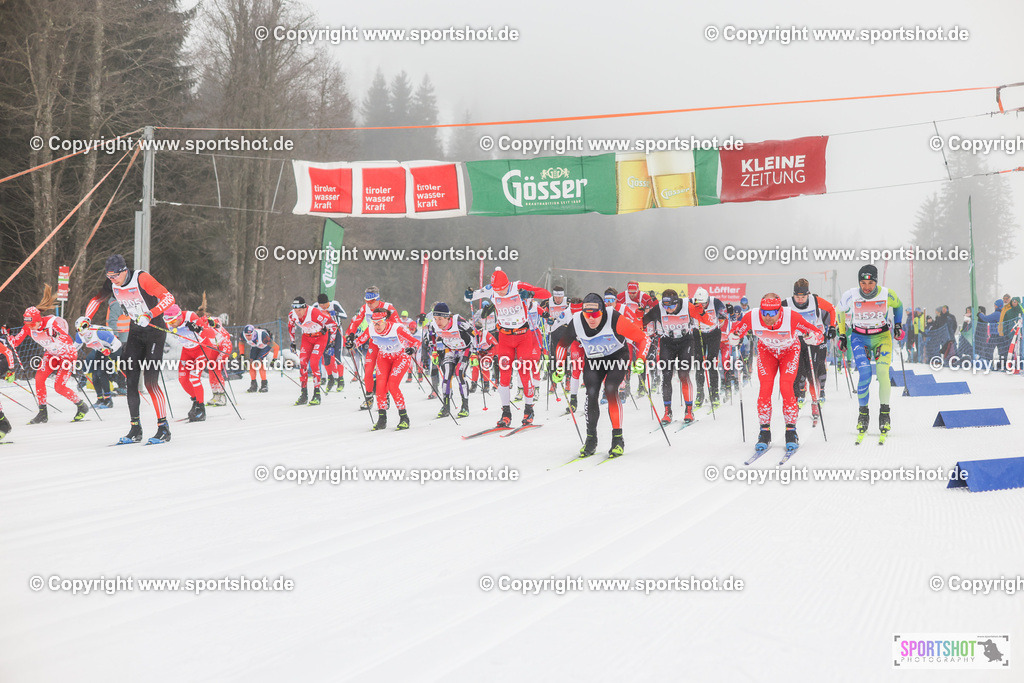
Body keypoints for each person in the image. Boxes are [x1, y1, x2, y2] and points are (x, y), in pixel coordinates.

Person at [84, 254, 175, 443]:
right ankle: (135, 429)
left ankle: (163, 427)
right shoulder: (111, 282)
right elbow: (96, 299)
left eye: (115, 276)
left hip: (154, 332)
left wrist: (150, 313)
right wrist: (87, 318)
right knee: (130, 381)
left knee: (150, 382)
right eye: (109, 277)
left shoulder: (141, 278)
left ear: (124, 270)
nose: (112, 280)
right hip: (136, 332)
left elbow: (168, 298)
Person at [553, 293, 652, 457]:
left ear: (603, 312)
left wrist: (641, 359)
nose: (591, 319)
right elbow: (562, 345)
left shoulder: (613, 318)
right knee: (591, 394)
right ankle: (591, 439)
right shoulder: (577, 320)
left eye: (595, 314)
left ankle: (617, 439)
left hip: (617, 357)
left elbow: (643, 338)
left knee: (611, 389)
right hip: (593, 360)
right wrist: (559, 367)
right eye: (587, 314)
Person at [728, 293, 824, 453]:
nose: (767, 317)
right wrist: (733, 338)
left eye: (772, 313)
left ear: (779, 310)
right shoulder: (752, 316)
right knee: (765, 389)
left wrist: (813, 338)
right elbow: (735, 332)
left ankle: (791, 431)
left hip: (789, 351)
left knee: (786, 387)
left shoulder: (791, 317)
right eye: (764, 312)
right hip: (767, 352)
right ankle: (764, 432)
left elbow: (818, 334)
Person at [468, 268, 551, 427]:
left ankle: (529, 410)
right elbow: (469, 297)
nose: (499, 293)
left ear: (507, 284)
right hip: (505, 338)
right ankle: (506, 413)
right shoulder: (490, 289)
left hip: (523, 337)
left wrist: (530, 294)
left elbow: (546, 294)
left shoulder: (518, 286)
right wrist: (469, 293)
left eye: (502, 289)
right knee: (504, 377)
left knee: (524, 372)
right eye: (497, 290)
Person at [836, 264, 905, 440]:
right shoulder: (850, 295)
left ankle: (884, 414)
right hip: (859, 337)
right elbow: (840, 312)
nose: (866, 287)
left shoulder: (887, 293)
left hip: (882, 337)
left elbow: (899, 305)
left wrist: (897, 325)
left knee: (882, 373)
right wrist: (842, 334)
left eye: (871, 283)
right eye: (863, 283)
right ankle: (863, 415)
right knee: (865, 373)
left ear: (876, 282)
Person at [12, 287, 90, 424]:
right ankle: (43, 413)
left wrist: (56, 335)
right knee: (39, 378)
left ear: (38, 320)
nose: (30, 327)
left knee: (59, 387)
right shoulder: (28, 327)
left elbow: (67, 340)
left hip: (67, 355)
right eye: (27, 324)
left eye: (32, 324)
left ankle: (81, 406)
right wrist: (7, 338)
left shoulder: (51, 322)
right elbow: (16, 342)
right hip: (52, 354)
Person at [642, 289, 714, 425]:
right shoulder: (659, 308)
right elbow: (641, 323)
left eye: (671, 306)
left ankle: (688, 410)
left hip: (685, 341)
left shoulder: (687, 306)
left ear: (677, 303)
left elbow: (709, 322)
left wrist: (702, 312)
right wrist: (639, 315)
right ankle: (667, 411)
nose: (668, 309)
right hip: (667, 342)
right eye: (666, 306)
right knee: (666, 375)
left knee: (683, 374)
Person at [353, 308, 419, 430]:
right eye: (374, 322)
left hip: (401, 356)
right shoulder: (371, 328)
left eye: (379, 322)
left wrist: (413, 349)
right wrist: (351, 343)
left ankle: (404, 417)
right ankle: (382, 419)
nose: (376, 325)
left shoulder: (397, 328)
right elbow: (359, 341)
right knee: (380, 387)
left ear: (385, 321)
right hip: (384, 357)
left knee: (392, 385)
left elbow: (416, 342)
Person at [782, 278, 837, 415]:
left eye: (803, 297)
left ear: (808, 294)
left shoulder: (815, 300)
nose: (800, 300)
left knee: (815, 369)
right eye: (797, 296)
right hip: (796, 340)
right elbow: (776, 317)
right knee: (797, 371)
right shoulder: (786, 304)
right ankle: (798, 398)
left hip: (815, 338)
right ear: (793, 294)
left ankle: (816, 400)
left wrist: (831, 327)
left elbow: (831, 309)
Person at [345, 287, 398, 408]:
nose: (369, 305)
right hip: (374, 341)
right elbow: (356, 322)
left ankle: (385, 396)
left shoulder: (389, 307)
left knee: (382, 373)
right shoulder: (365, 308)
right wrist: (351, 336)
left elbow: (398, 324)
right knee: (368, 370)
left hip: (388, 343)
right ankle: (369, 398)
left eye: (372, 301)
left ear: (378, 299)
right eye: (366, 301)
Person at [287, 296, 338, 406]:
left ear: (305, 307)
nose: (298, 313)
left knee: (314, 363)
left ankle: (317, 394)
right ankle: (304, 394)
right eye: (296, 310)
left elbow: (333, 325)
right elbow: (291, 326)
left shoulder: (314, 313)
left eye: (300, 310)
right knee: (302, 363)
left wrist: (332, 343)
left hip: (320, 338)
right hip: (307, 338)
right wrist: (292, 342)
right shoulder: (292, 314)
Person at [428, 302, 474, 418]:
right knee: (446, 375)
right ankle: (446, 406)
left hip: (465, 349)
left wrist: (475, 353)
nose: (437, 322)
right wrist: (435, 352)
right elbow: (433, 338)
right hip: (450, 350)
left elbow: (475, 334)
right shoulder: (433, 325)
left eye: (440, 319)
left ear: (447, 317)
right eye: (435, 318)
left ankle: (465, 406)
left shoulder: (459, 322)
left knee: (459, 373)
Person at [73, 316, 123, 409]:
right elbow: (74, 347)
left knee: (101, 373)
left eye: (84, 326)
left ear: (88, 325)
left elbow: (118, 343)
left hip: (113, 351)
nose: (81, 331)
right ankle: (100, 399)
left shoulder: (99, 332)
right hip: (100, 350)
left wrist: (110, 350)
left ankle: (108, 400)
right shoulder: (79, 335)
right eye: (78, 329)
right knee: (95, 374)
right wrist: (66, 354)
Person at [690, 287, 727, 409]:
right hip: (698, 333)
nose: (703, 306)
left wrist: (724, 316)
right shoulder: (690, 302)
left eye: (704, 303)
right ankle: (700, 393)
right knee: (699, 363)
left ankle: (714, 392)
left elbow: (723, 317)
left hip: (713, 334)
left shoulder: (716, 302)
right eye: (699, 304)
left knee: (711, 363)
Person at [317, 293, 347, 391]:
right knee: (326, 357)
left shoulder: (334, 304)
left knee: (337, 356)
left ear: (328, 302)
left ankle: (341, 380)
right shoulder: (315, 307)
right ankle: (330, 379)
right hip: (325, 333)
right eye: (321, 306)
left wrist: (335, 313)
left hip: (337, 332)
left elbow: (345, 315)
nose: (323, 307)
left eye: (325, 305)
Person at [242, 325, 274, 393]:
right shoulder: (243, 335)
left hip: (265, 346)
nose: (248, 337)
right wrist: (242, 355)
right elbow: (241, 344)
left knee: (259, 361)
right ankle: (253, 385)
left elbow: (276, 347)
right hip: (255, 345)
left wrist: (274, 359)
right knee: (251, 363)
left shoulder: (263, 336)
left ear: (253, 333)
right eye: (246, 335)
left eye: (250, 335)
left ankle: (264, 385)